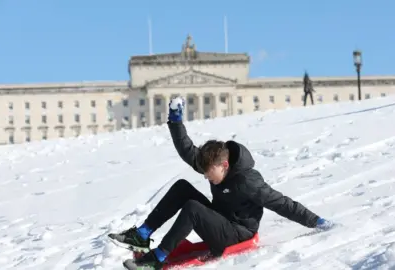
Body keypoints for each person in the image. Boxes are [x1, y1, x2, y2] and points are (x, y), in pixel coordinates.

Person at [109, 97, 335, 269]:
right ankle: (142, 234)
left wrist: (317, 221)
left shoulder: (248, 181)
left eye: (210, 174)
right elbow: (188, 151)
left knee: (193, 208)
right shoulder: (213, 163)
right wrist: (175, 121)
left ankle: (156, 259)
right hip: (221, 219)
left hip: (238, 233)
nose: (207, 178)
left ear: (224, 166)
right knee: (182, 187)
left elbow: (281, 203)